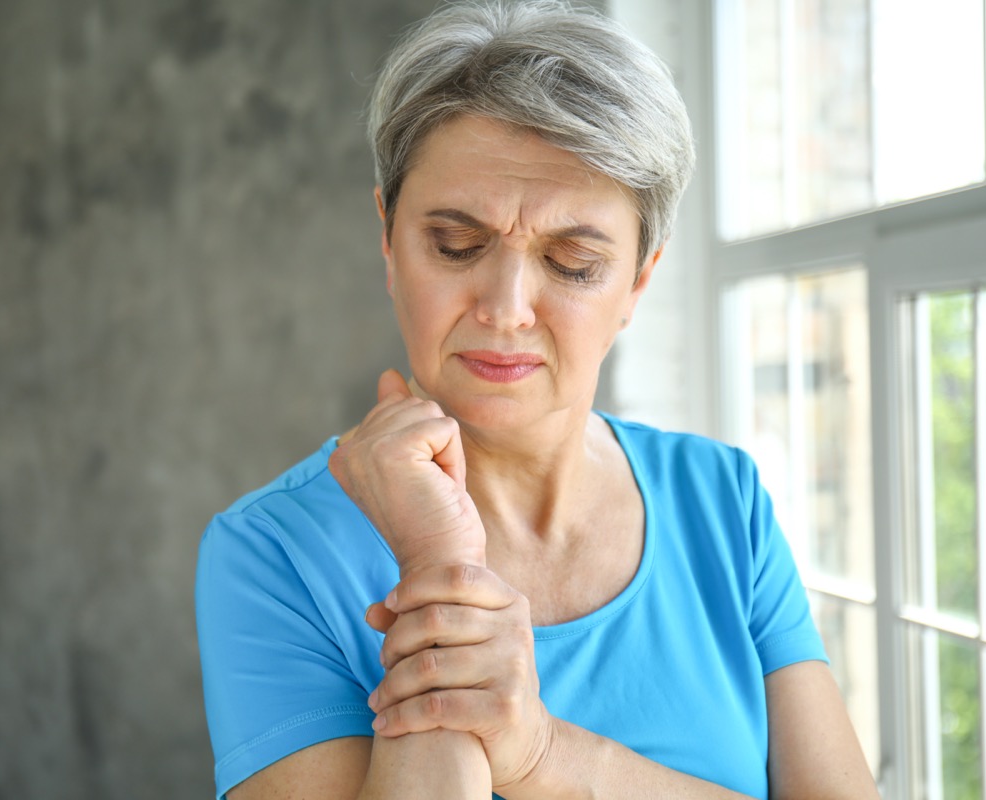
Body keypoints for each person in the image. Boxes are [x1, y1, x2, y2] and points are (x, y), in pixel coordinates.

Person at [194, 1, 879, 798]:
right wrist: (442, 567)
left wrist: (542, 754)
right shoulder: (273, 554)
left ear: (638, 281)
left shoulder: (723, 501)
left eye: (573, 262)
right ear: (388, 239)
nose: (506, 305)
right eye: (456, 245)